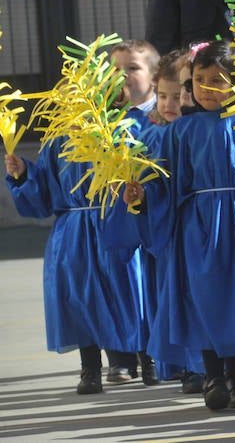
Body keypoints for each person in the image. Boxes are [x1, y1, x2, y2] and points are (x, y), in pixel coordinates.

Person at [123, 41, 235, 411]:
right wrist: (143, 196)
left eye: (218, 80)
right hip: (197, 226)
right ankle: (212, 374)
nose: (209, 88)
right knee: (203, 298)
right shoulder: (180, 132)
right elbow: (165, 181)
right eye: (200, 80)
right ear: (189, 83)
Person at [5, 130, 144, 395]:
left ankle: (126, 357)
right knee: (78, 297)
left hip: (112, 221)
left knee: (121, 291)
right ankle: (90, 367)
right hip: (74, 229)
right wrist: (23, 172)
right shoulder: (57, 141)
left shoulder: (117, 131)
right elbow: (43, 192)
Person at [107, 39, 163, 385]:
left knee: (155, 285)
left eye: (132, 68)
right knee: (120, 285)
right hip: (119, 217)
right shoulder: (108, 122)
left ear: (155, 75)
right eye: (115, 70)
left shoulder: (166, 116)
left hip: (156, 217)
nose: (123, 76)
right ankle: (121, 356)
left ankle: (157, 355)